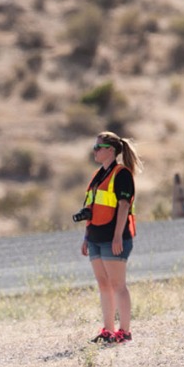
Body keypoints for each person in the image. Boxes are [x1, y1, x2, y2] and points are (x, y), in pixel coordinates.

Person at [78, 130, 139, 344]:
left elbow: (124, 206)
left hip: (114, 237)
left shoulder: (121, 174)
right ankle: (108, 331)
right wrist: (86, 237)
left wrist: (117, 237)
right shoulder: (98, 175)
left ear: (110, 150)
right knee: (104, 284)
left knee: (118, 285)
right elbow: (91, 207)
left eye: (98, 147)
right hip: (95, 236)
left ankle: (124, 331)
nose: (94, 151)